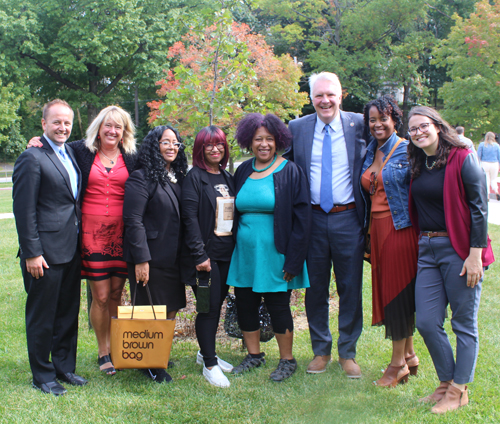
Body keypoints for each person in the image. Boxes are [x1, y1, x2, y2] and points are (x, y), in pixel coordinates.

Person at [28, 105, 137, 375]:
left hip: (122, 235)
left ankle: (116, 347)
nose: (112, 131)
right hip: (91, 234)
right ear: (98, 128)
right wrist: (37, 139)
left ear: (124, 132)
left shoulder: (133, 156)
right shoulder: (81, 150)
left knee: (115, 293)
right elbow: (53, 144)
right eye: (107, 125)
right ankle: (103, 351)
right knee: (99, 296)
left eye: (118, 127)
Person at [407, 106, 494, 414]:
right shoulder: (419, 162)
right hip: (427, 249)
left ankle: (459, 390)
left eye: (423, 126)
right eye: (413, 129)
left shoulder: (462, 157)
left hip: (459, 249)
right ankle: (445, 383)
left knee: (463, 323)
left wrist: (474, 255)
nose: (418, 132)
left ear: (437, 125)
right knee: (427, 321)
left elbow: (479, 208)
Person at [284, 72, 367, 377]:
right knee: (315, 287)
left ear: (341, 95)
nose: (325, 101)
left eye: (330, 94)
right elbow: (282, 166)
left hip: (349, 218)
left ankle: (348, 352)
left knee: (350, 287)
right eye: (319, 95)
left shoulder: (360, 124)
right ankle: (321, 350)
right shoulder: (297, 128)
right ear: (311, 99)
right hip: (313, 220)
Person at [227, 113, 311, 382]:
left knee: (278, 306)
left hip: (277, 253)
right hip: (245, 254)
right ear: (249, 142)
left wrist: (294, 260)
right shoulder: (242, 170)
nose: (263, 144)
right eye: (257, 139)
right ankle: (254, 355)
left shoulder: (290, 171)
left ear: (278, 141)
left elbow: (302, 219)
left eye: (269, 139)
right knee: (245, 304)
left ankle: (287, 359)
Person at [13, 99, 87, 396]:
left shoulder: (69, 151)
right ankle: (42, 375)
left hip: (71, 248)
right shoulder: (31, 157)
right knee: (43, 315)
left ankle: (64, 367)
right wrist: (32, 252)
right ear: (43, 124)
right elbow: (24, 209)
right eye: (56, 122)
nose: (62, 127)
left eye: (67, 122)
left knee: (68, 312)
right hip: (43, 253)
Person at [360, 95, 419, 387]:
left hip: (399, 229)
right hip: (377, 231)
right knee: (390, 291)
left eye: (383, 118)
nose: (377, 124)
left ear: (394, 119)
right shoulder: (371, 150)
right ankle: (408, 355)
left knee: (397, 293)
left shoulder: (407, 150)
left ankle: (397, 366)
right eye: (372, 119)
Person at [123, 125, 188, 384]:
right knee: (150, 310)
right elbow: (133, 220)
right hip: (149, 257)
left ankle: (158, 353)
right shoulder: (141, 177)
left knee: (170, 307)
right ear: (154, 146)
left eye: (176, 143)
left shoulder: (176, 177)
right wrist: (141, 259)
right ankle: (149, 364)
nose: (172, 147)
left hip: (172, 258)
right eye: (166, 142)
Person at [181, 126, 235, 388]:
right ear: (200, 149)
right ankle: (210, 365)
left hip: (226, 254)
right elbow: (188, 218)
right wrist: (199, 254)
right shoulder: (195, 177)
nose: (216, 149)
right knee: (208, 308)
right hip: (205, 257)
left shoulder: (226, 176)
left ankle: (205, 352)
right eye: (209, 145)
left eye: (220, 144)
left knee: (217, 304)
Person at [477, 132, 500, 201]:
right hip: (494, 163)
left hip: (485, 163)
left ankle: (487, 196)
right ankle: (496, 191)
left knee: (486, 179)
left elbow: (478, 156)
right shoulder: (497, 145)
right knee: (493, 179)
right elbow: (499, 156)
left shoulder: (482, 145)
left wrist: (478, 164)